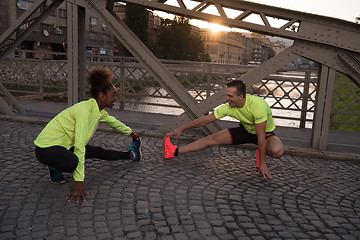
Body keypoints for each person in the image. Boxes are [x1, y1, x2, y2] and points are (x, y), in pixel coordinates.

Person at [34, 67, 141, 202]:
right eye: (113, 95)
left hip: (64, 146)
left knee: (98, 151)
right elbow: (79, 145)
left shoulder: (98, 110)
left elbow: (113, 122)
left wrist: (130, 133)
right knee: (73, 161)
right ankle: (54, 167)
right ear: (102, 96)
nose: (115, 98)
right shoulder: (84, 110)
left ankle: (132, 155)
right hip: (45, 149)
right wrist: (78, 182)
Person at [164, 80, 284, 178]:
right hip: (245, 131)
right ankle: (174, 151)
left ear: (241, 96)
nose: (226, 99)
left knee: (277, 151)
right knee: (211, 139)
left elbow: (261, 137)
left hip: (265, 134)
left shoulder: (258, 106)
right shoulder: (229, 107)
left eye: (230, 96)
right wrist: (181, 128)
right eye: (226, 95)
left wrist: (263, 164)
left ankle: (261, 152)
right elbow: (206, 119)